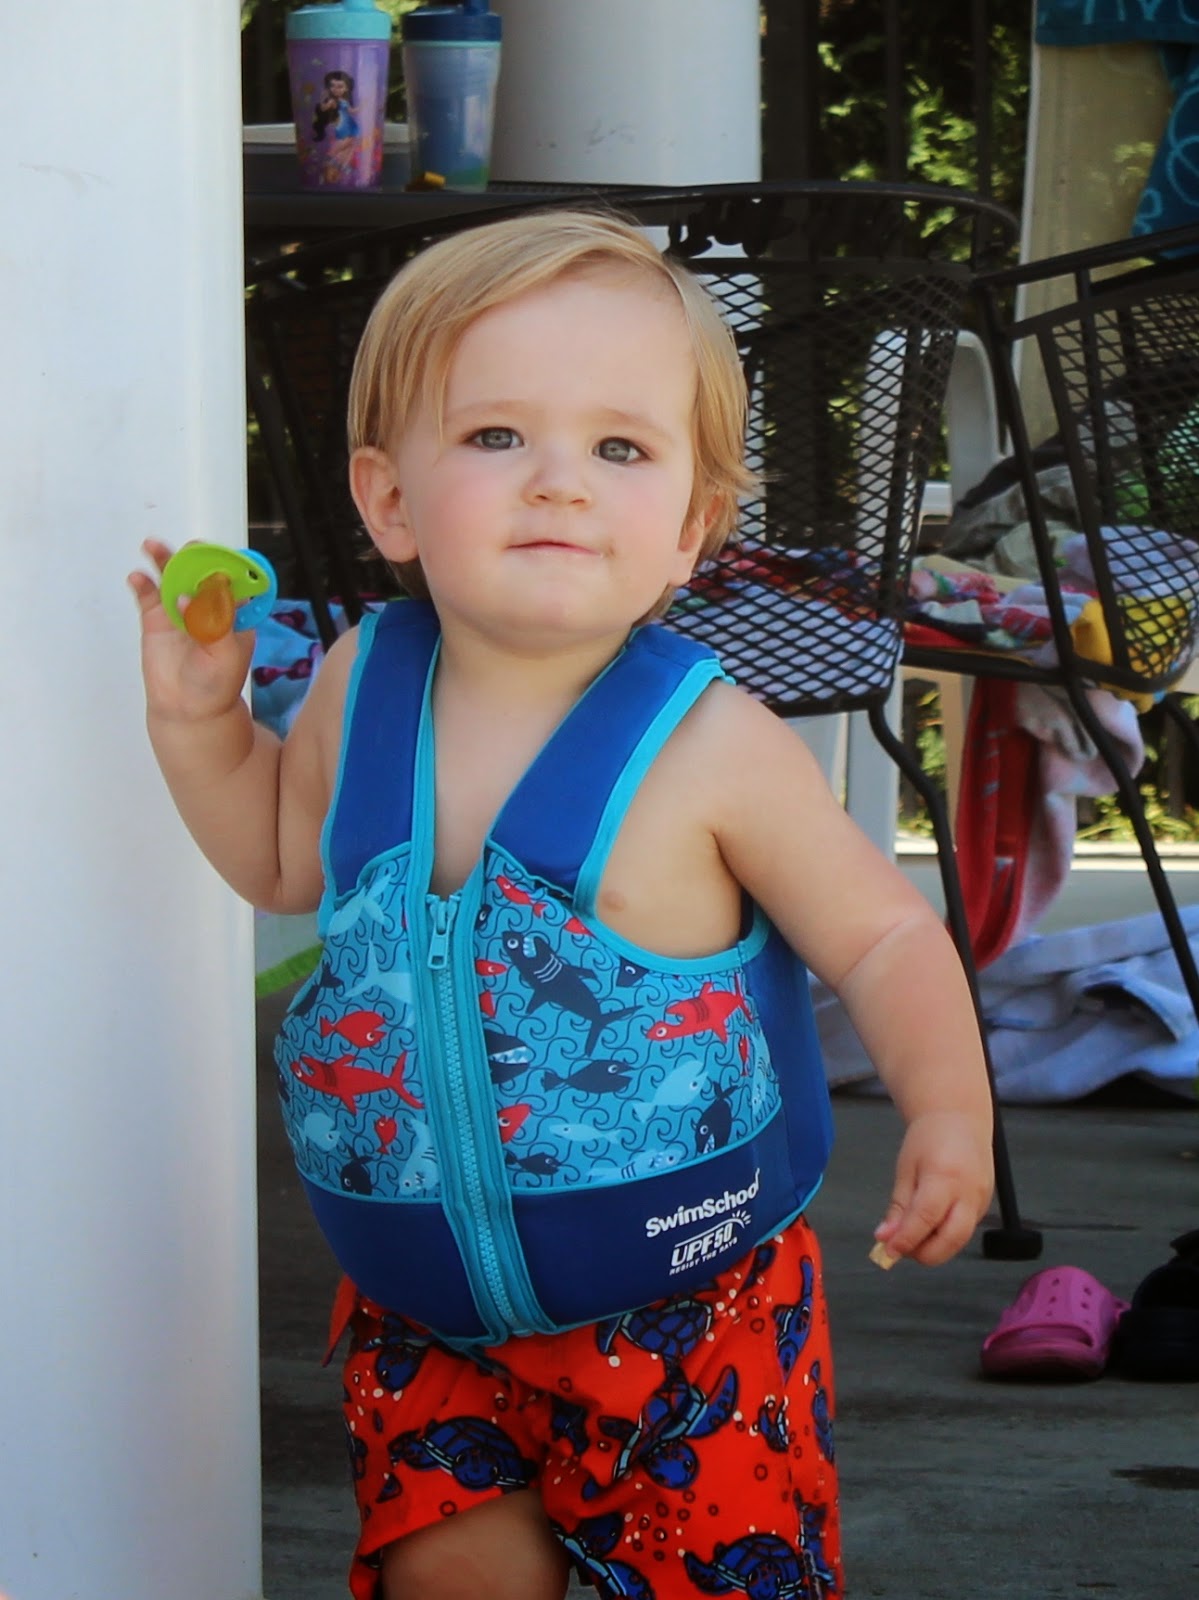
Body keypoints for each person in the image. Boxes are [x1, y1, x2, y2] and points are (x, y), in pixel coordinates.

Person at [129, 209, 994, 1600]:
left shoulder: (710, 745)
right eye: (495, 436)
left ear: (692, 527)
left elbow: (884, 934)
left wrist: (950, 1111)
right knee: (451, 1580)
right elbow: (282, 866)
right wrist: (199, 728)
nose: (559, 484)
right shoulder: (360, 686)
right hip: (427, 1314)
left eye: (620, 449)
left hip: (692, 1313)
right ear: (388, 500)